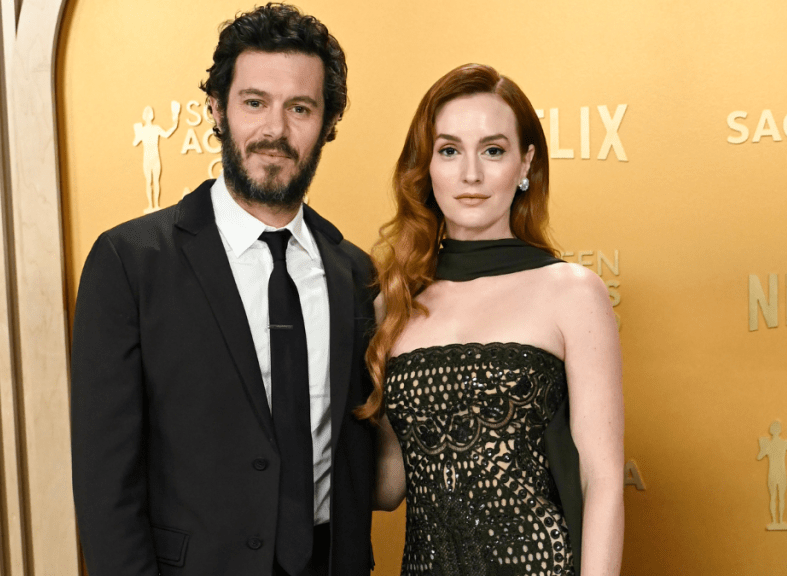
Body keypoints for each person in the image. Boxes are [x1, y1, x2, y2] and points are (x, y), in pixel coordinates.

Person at [71, 5, 376, 576]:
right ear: (217, 108)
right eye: (254, 102)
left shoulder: (355, 276)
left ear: (328, 122)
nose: (275, 131)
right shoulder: (131, 263)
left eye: (301, 108)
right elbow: (104, 482)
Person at [366, 64, 624, 576]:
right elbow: (391, 483)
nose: (470, 175)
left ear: (525, 163)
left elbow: (603, 480)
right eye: (449, 150)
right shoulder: (392, 303)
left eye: (493, 150)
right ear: (427, 167)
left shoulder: (573, 293)